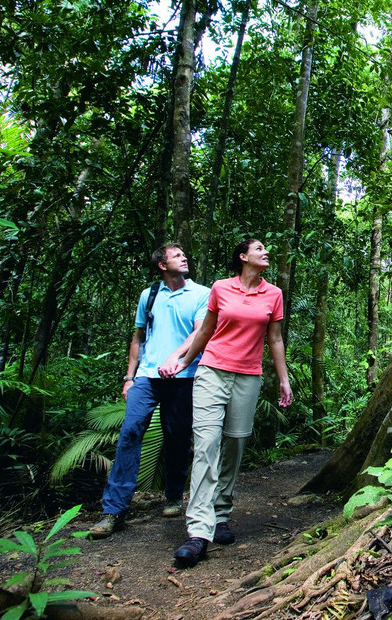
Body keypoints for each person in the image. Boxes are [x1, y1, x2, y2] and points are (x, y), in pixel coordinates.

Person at [159, 238, 293, 567]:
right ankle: (198, 532)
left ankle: (220, 514)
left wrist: (284, 379)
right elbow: (205, 331)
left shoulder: (273, 294)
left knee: (234, 444)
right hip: (212, 372)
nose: (266, 252)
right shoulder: (220, 288)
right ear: (243, 257)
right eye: (259, 248)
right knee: (206, 444)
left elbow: (274, 338)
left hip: (248, 377)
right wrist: (183, 360)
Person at [89, 244, 210, 539]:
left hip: (184, 376)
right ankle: (114, 509)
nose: (184, 257)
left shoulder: (201, 293)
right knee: (130, 433)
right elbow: (138, 338)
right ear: (162, 265)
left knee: (177, 437)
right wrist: (129, 377)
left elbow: (199, 333)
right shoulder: (150, 295)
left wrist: (179, 362)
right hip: (147, 376)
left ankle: (171, 495)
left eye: (184, 253)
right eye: (177, 255)